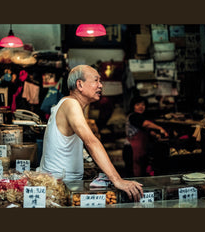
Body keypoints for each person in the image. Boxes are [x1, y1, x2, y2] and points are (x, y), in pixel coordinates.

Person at [39, 65, 143, 202]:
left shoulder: (68, 104)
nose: (100, 85)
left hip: (63, 186)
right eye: (96, 80)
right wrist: (117, 180)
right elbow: (91, 142)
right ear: (80, 84)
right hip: (57, 188)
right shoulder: (71, 104)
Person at [125, 95, 169, 177]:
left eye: (143, 105)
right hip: (131, 150)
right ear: (133, 106)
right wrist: (160, 128)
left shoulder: (140, 117)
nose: (141, 107)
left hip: (139, 151)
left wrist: (155, 134)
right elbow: (146, 124)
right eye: (138, 105)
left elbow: (146, 131)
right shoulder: (134, 116)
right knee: (134, 175)